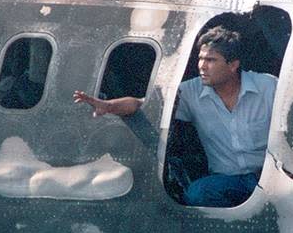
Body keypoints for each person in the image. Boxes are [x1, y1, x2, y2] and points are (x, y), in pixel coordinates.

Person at [73, 27, 275, 207]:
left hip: (268, 178)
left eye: (211, 60)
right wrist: (108, 106)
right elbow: (143, 104)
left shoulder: (268, 87)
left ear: (233, 65)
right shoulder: (190, 92)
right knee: (198, 193)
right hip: (225, 181)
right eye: (200, 59)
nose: (202, 66)